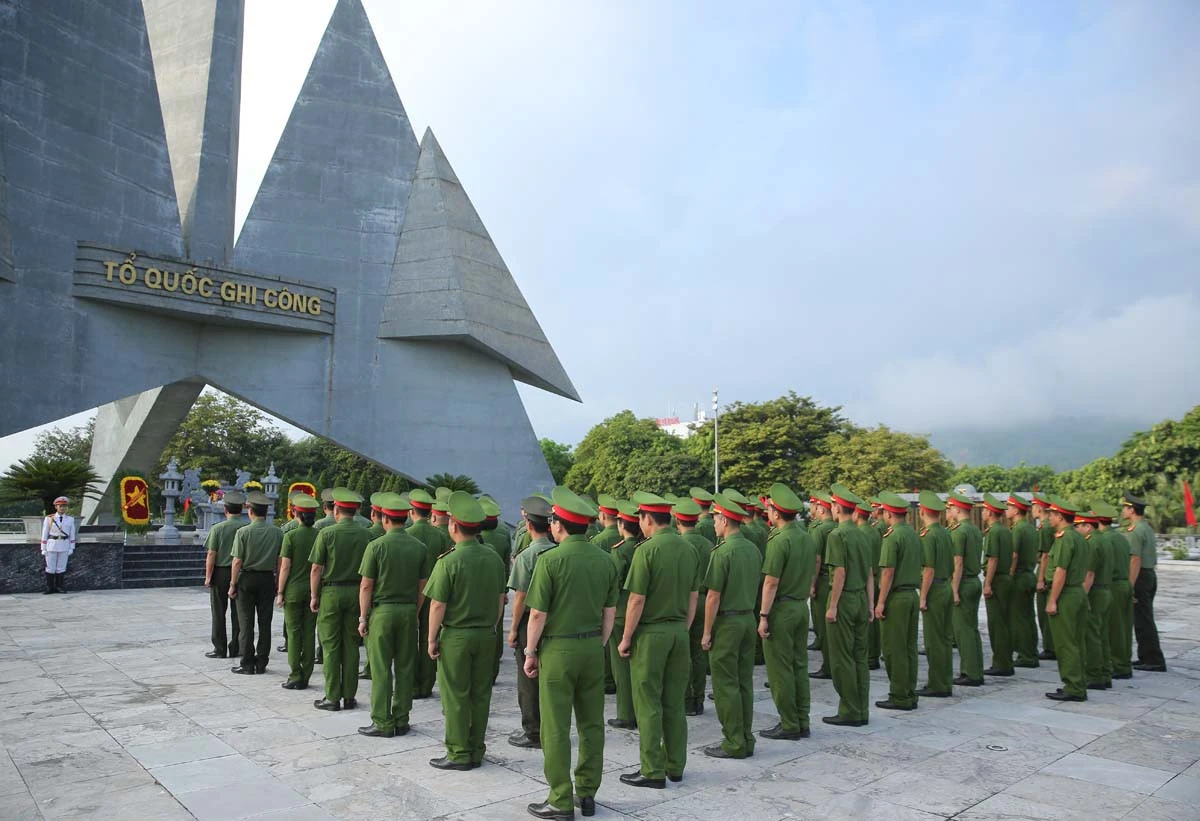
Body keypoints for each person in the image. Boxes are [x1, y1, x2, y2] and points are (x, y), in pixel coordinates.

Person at [523, 487, 618, 820]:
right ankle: (587, 793)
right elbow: (610, 611)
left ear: (558, 525)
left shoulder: (550, 560)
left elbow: (537, 614)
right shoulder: (605, 559)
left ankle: (560, 799)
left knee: (556, 726)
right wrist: (599, 643)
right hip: (592, 647)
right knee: (592, 724)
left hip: (558, 649)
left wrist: (530, 651)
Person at [617, 491, 701, 789]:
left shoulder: (646, 551)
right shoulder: (687, 548)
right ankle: (675, 765)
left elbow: (637, 600)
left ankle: (652, 769)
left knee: (648, 702)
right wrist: (683, 627)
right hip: (679, 631)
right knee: (674, 702)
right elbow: (694, 596)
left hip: (651, 634)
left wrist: (626, 637)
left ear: (647, 519)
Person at [424, 491, 507, 770]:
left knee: (456, 696)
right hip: (486, 634)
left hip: (457, 636)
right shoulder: (493, 557)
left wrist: (431, 638)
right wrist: (491, 627)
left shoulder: (448, 561)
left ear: (453, 526)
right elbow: (500, 599)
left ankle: (458, 753)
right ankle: (476, 748)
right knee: (481, 694)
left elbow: (437, 605)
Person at [357, 493, 431, 738]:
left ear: (385, 519)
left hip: (383, 611)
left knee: (380, 668)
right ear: (405, 518)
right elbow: (424, 586)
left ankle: (382, 720)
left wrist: (363, 617)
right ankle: (401, 718)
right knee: (405, 666)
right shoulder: (419, 547)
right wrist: (416, 610)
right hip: (409, 610)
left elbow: (367, 585)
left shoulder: (376, 546)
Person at [701, 493, 762, 759]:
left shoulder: (723, 552)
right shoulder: (753, 549)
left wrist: (706, 632)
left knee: (725, 685)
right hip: (748, 618)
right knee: (744, 682)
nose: (714, 523)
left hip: (726, 622)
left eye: (716, 518)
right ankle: (746, 737)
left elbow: (713, 596)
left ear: (724, 520)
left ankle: (734, 742)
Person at [758, 483, 815, 738]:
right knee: (799, 665)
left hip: (781, 609)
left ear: (776, 513)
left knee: (780, 670)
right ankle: (803, 719)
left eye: (769, 507)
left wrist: (763, 616)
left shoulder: (779, 540)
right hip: (801, 607)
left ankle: (789, 723)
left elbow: (771, 582)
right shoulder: (805, 535)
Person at [309, 488, 372, 711]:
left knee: (331, 645)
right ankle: (349, 696)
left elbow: (317, 568)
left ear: (336, 510)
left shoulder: (326, 534)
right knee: (352, 646)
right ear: (355, 511)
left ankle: (332, 696)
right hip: (357, 592)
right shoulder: (367, 534)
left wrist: (314, 595)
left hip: (331, 592)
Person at [507, 495, 557, 749]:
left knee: (528, 680)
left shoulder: (527, 556)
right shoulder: (557, 551)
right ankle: (552, 727)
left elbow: (520, 598)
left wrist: (514, 629)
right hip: (556, 624)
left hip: (530, 623)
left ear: (527, 524)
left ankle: (533, 731)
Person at [823, 484, 873, 727]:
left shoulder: (837, 535)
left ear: (836, 508)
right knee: (860, 656)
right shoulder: (863, 534)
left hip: (844, 599)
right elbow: (870, 573)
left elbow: (839, 572)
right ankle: (862, 709)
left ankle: (849, 710)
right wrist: (872, 604)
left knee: (842, 658)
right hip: (862, 598)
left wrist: (832, 606)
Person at [873, 491, 922, 711]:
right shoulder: (913, 534)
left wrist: (881, 602)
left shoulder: (892, 537)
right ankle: (910, 692)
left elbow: (887, 572)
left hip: (897, 597)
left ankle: (899, 695)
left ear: (889, 514)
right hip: (912, 594)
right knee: (910, 647)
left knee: (894, 649)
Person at [229, 491, 283, 675]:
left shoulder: (243, 532)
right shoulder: (277, 532)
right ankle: (262, 662)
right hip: (267, 578)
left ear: (250, 510)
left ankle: (247, 662)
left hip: (247, 579)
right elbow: (280, 561)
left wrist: (232, 584)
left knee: (246, 623)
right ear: (266, 512)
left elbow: (237, 561)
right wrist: (277, 581)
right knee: (265, 622)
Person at [407, 488, 453, 698]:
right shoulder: (441, 535)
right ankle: (426, 684)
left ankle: (411, 683)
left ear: (411, 512)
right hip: (436, 593)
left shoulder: (408, 535)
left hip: (410, 594)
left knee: (408, 641)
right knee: (430, 637)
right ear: (430, 513)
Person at [1044, 496, 1090, 701]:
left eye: (1051, 515)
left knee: (1066, 643)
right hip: (1078, 592)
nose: (1049, 518)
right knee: (1077, 641)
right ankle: (1078, 683)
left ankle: (1073, 687)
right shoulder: (1079, 537)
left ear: (1060, 516)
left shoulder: (1064, 538)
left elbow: (1061, 571)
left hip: (1066, 594)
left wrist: (1052, 599)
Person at [674, 498, 713, 717]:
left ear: (677, 520)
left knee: (684, 654)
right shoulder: (709, 544)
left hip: (686, 601)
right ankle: (698, 697)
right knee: (699, 653)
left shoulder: (680, 545)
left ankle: (687, 699)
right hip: (706, 600)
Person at [277, 494, 320, 689]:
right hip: (314, 590)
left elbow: (285, 567)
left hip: (293, 590)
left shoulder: (290, 536)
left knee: (294, 633)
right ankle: (307, 673)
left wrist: (280, 591)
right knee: (310, 632)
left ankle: (295, 675)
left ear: (297, 515)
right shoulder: (320, 535)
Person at [607, 501, 642, 730]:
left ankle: (626, 713)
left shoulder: (620, 551)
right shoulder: (642, 547)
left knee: (621, 668)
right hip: (641, 612)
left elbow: (614, 584)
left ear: (621, 525)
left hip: (621, 613)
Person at [917, 490, 954, 698]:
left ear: (922, 511)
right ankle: (945, 681)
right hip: (946, 586)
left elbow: (929, 569)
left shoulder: (928, 536)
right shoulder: (946, 533)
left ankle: (937, 684)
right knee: (945, 638)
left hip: (935, 591)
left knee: (934, 641)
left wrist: (923, 596)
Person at [1124, 492, 1166, 672]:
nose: (1123, 511)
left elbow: (1135, 560)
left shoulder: (1135, 531)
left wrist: (1130, 585)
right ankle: (1145, 657)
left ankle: (1154, 659)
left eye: (1125, 508)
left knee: (1144, 620)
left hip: (1140, 576)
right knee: (1143, 619)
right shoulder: (1146, 527)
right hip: (1149, 575)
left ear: (1131, 510)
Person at [946, 489, 984, 687]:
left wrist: (953, 589)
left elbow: (958, 563)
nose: (948, 511)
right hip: (974, 580)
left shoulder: (959, 531)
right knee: (972, 628)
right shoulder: (975, 529)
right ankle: (976, 669)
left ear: (957, 509)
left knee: (963, 630)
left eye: (950, 507)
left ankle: (970, 672)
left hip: (963, 583)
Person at [204, 491, 248, 659]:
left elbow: (211, 554)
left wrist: (208, 576)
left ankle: (219, 648)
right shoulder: (246, 528)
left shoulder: (218, 528)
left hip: (220, 572)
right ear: (242, 509)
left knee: (218, 611)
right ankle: (236, 646)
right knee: (239, 612)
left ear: (225, 509)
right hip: (241, 573)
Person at [1077, 509, 1113, 691]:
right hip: (1105, 590)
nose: (1076, 529)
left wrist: (1081, 598)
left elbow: (1089, 574)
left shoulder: (1091, 543)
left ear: (1088, 526)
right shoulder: (1104, 540)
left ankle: (1094, 675)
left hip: (1095, 593)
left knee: (1091, 635)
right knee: (1102, 635)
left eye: (1079, 526)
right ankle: (1105, 673)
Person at [591, 493, 622, 697]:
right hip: (625, 601)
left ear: (602, 515)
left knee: (606, 641)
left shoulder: (599, 541)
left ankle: (607, 678)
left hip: (605, 599)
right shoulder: (627, 536)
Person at [980, 493, 1015, 677]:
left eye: (985, 510)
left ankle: (1001, 663)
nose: (983, 513)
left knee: (997, 624)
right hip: (1005, 578)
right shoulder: (1005, 530)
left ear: (989, 513)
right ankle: (1006, 660)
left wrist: (987, 584)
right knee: (1005, 622)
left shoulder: (994, 532)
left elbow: (993, 559)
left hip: (998, 580)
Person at [1006, 494, 1040, 668]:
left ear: (1016, 510)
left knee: (1019, 618)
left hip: (1019, 576)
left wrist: (1009, 577)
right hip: (1029, 574)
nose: (1007, 510)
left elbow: (1014, 555)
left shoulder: (1018, 529)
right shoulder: (1030, 528)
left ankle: (1025, 656)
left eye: (1009, 507)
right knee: (1028, 617)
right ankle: (1032, 652)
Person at [1101, 501, 1133, 680]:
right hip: (1124, 583)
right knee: (1124, 627)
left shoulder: (1105, 539)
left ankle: (1119, 666)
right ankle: (1124, 662)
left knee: (1114, 628)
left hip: (1112, 585)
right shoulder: (1120, 536)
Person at [808, 492, 835, 676]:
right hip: (833, 580)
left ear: (821, 508)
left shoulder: (820, 530)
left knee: (823, 627)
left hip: (823, 580)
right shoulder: (837, 526)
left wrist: (812, 584)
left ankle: (828, 666)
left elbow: (817, 559)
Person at [856, 501, 882, 670]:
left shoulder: (860, 534)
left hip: (865, 580)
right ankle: (874, 654)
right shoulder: (874, 531)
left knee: (867, 622)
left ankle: (869, 657)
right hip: (876, 578)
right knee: (874, 624)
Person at [1033, 494, 1056, 660]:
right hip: (1048, 570)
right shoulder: (1046, 526)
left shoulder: (1046, 528)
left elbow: (1045, 555)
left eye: (1034, 506)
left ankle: (1050, 646)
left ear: (1040, 508)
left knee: (1043, 611)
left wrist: (1040, 579)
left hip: (1045, 570)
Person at [39, 496, 75, 594]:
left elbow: (72, 534)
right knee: (50, 568)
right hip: (52, 545)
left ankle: (60, 587)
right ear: (56, 507)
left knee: (61, 567)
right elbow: (44, 533)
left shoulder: (70, 519)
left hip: (64, 545)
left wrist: (72, 547)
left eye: (64, 506)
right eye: (60, 506)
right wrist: (43, 548)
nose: (62, 508)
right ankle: (50, 588)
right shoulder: (49, 518)